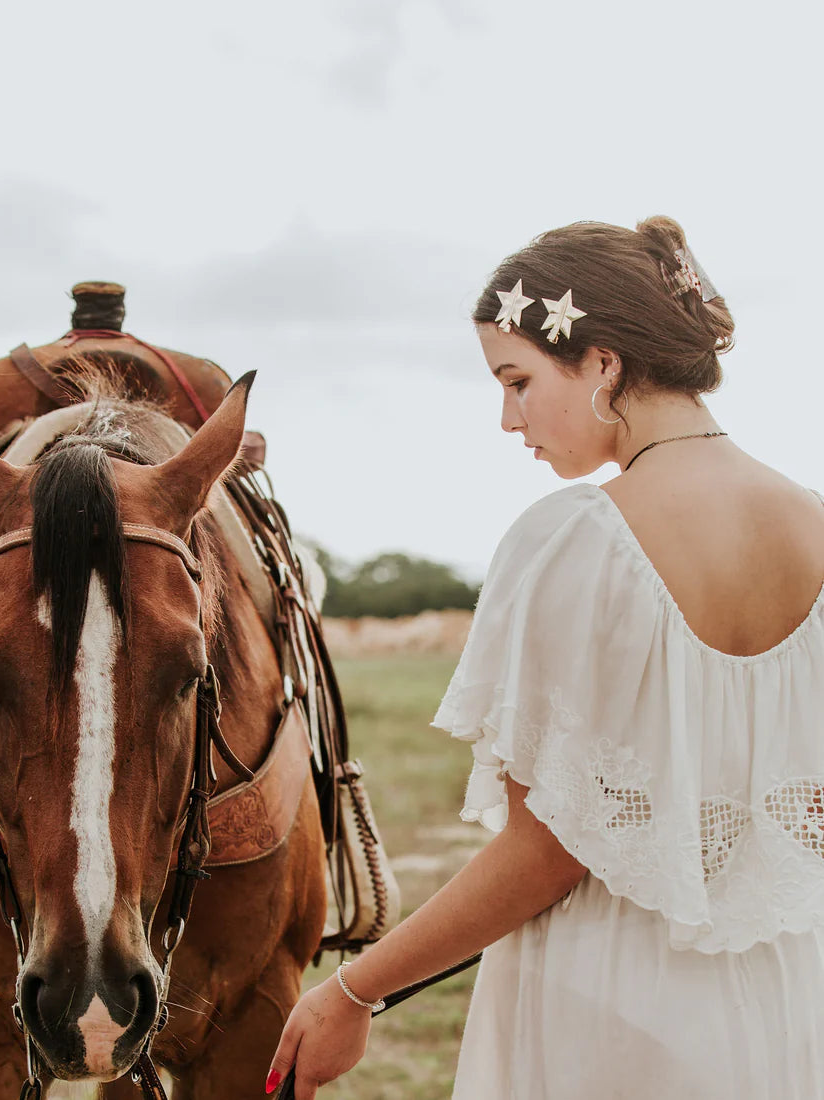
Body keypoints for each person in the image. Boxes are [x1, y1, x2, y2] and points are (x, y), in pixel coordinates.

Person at [266, 217, 824, 1099]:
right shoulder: (815, 523)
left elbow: (547, 852)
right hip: (792, 997)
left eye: (517, 380)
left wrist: (353, 991)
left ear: (603, 362)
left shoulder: (580, 539)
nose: (508, 418)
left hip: (616, 1001)